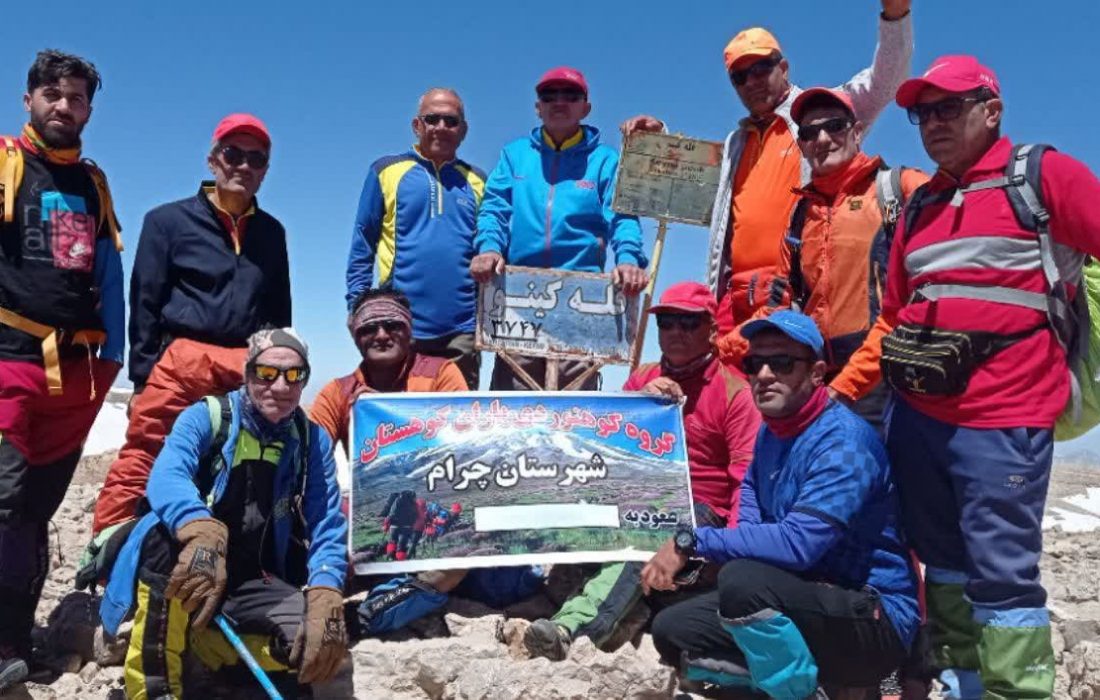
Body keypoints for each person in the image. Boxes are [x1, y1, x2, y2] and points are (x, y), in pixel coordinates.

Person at [880, 55, 1100, 700]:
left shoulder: (1041, 176)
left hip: (1005, 416)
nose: (933, 123)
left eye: (949, 107)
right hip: (920, 417)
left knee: (1002, 572)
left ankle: (1017, 693)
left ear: (991, 110)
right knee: (941, 558)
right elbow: (898, 307)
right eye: (923, 112)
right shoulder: (921, 203)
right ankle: (962, 680)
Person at [642, 311, 918, 698]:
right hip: (806, 599)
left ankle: (803, 691)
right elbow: (750, 530)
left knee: (742, 584)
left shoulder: (843, 442)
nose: (765, 374)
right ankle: (807, 684)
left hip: (873, 616)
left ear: (817, 372)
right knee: (673, 629)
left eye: (783, 363)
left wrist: (690, 543)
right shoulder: (771, 433)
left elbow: (797, 545)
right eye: (754, 363)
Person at [622, 0, 913, 333]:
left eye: (761, 68)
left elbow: (885, 81)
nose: (752, 81)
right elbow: (695, 188)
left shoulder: (823, 116)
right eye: (740, 77)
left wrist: (896, 16)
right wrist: (659, 141)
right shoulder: (736, 141)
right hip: (732, 302)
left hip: (796, 297)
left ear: (784, 68)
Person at [99, 328, 347, 699]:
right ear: (247, 373)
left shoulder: (310, 439)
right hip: (190, 566)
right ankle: (155, 688)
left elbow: (327, 520)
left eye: (295, 375)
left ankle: (204, 648)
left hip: (250, 578)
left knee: (307, 641)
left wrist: (327, 588)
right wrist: (200, 529)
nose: (280, 386)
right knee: (163, 541)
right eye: (266, 373)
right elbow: (167, 475)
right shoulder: (207, 417)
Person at [523, 282, 761, 661]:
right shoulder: (641, 378)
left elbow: (745, 485)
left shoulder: (736, 394)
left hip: (699, 512)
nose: (676, 332)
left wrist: (726, 554)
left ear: (712, 331)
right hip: (638, 494)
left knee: (652, 533)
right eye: (667, 323)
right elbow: (608, 448)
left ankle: (574, 629)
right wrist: (640, 403)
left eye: (689, 323)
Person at [92, 113, 291, 538]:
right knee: (146, 456)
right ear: (212, 160)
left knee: (240, 462)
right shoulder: (167, 222)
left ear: (265, 172)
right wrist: (143, 381)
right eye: (232, 154)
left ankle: (230, 552)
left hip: (244, 368)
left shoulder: (272, 234)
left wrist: (276, 374)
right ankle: (109, 553)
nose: (243, 165)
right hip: (179, 364)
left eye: (255, 159)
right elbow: (144, 302)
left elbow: (278, 313)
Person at [0, 49, 123, 689]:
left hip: (77, 374)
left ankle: (19, 639)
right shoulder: (5, 163)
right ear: (28, 100)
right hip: (9, 361)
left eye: (76, 99)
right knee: (3, 502)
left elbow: (108, 271)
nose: (63, 107)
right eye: (52, 95)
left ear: (89, 111)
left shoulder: (92, 183)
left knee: (36, 512)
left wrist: (116, 358)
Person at [718, 87, 927, 431]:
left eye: (835, 126)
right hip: (820, 382)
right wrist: (717, 350)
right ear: (801, 144)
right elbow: (778, 307)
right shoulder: (799, 213)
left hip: (890, 379)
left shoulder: (898, 188)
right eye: (809, 132)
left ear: (857, 132)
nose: (822, 138)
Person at [471, 66, 648, 390]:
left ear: (586, 107)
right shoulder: (515, 155)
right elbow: (494, 208)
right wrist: (489, 248)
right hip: (518, 298)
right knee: (515, 408)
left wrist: (628, 259)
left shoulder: (605, 160)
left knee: (573, 408)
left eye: (571, 95)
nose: (559, 102)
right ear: (537, 106)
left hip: (581, 299)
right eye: (548, 95)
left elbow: (623, 217)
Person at [346, 88, 485, 389]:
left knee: (459, 426)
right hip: (397, 327)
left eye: (451, 121)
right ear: (416, 125)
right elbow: (363, 242)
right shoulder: (386, 171)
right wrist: (356, 303)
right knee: (399, 426)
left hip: (461, 331)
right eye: (432, 119)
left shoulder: (478, 181)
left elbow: (489, 244)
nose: (441, 127)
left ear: (464, 130)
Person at [309, 288, 467, 459]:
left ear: (409, 331)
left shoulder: (441, 374)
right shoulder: (336, 393)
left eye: (392, 326)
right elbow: (312, 458)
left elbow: (463, 445)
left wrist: (383, 411)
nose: (381, 335)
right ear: (356, 338)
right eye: (369, 328)